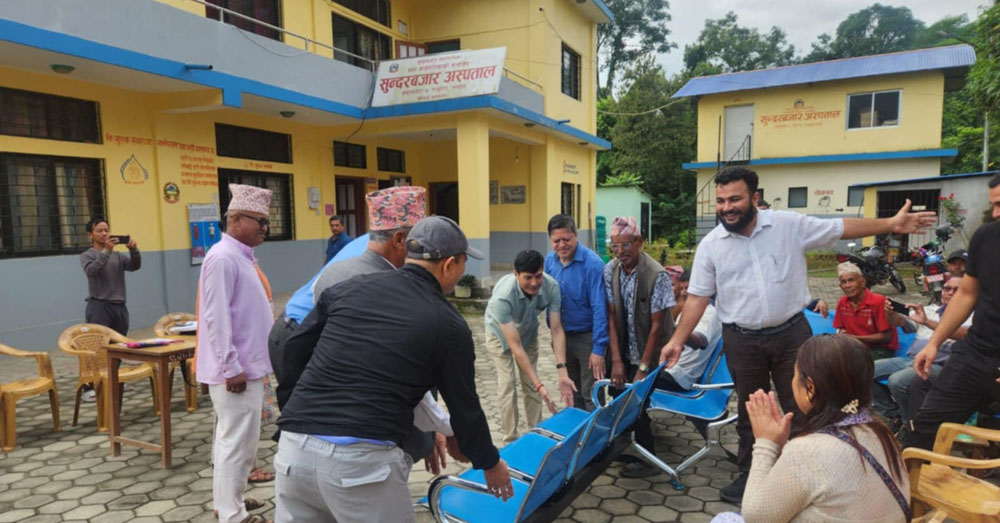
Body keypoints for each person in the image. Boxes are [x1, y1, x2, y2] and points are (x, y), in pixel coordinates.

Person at [660, 166, 934, 503]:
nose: (726, 207)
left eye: (734, 199)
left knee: (807, 402)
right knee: (751, 408)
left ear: (754, 198)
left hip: (791, 334)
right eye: (720, 201)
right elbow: (698, 297)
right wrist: (675, 341)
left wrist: (890, 224)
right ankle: (751, 474)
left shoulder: (788, 226)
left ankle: (808, 471)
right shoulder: (712, 246)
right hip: (741, 340)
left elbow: (841, 227)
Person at [275, 216, 512, 522]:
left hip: (294, 453)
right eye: (464, 263)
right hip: (361, 467)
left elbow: (294, 351)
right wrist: (489, 463)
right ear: (449, 264)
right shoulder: (448, 325)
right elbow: (465, 406)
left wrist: (295, 412)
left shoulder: (348, 289)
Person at [276, 187, 449, 467]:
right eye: (421, 241)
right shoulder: (365, 282)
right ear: (400, 240)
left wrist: (432, 426)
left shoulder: (382, 267)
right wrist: (436, 427)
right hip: (294, 336)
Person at [713, 334, 910, 522]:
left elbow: (755, 517)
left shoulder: (808, 450)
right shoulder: (880, 432)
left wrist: (766, 445)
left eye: (795, 374)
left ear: (810, 388)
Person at [196, 184, 274, 523]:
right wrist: (231, 367)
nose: (264, 228)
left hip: (249, 367)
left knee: (238, 442)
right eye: (259, 220)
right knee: (235, 444)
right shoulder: (222, 258)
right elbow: (215, 317)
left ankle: (230, 500)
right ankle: (231, 514)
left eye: (266, 222)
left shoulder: (241, 256)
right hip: (236, 372)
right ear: (236, 218)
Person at [905, 174, 1000, 450]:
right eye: (993, 205)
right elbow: (967, 294)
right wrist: (934, 343)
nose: (995, 213)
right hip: (977, 353)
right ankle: (907, 489)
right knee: (925, 430)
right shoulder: (986, 237)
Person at [602, 216, 675, 478]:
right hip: (624, 347)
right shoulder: (609, 270)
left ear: (640, 242)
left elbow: (657, 327)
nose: (620, 252)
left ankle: (649, 460)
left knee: (638, 402)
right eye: (615, 246)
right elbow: (611, 315)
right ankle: (627, 447)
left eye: (626, 245)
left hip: (652, 351)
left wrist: (643, 367)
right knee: (617, 393)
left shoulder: (657, 275)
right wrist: (617, 360)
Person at [485, 249, 574, 444]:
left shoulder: (551, 287)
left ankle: (536, 434)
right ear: (515, 274)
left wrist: (562, 371)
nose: (534, 283)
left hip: (528, 333)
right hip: (499, 336)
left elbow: (557, 329)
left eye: (538, 276)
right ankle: (510, 440)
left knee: (531, 387)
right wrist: (540, 384)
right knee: (508, 385)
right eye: (528, 278)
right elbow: (514, 346)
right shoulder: (503, 296)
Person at [872, 275, 970, 429]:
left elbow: (964, 335)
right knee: (865, 370)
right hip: (910, 361)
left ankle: (908, 424)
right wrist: (890, 314)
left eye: (956, 290)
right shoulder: (929, 310)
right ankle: (893, 414)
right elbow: (898, 322)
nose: (950, 293)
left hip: (939, 366)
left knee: (897, 381)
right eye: (947, 288)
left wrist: (926, 322)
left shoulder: (971, 315)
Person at [545, 214, 608, 411]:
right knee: (572, 392)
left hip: (587, 338)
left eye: (567, 239)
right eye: (556, 240)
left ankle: (600, 439)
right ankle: (579, 437)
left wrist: (598, 349)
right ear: (550, 240)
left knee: (592, 395)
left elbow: (600, 308)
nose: (562, 245)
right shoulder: (550, 261)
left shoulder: (593, 264)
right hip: (561, 337)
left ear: (576, 236)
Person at [80, 218, 141, 336]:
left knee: (120, 344)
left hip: (119, 306)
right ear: (90, 235)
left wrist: (134, 251)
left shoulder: (117, 255)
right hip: (100, 306)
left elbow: (134, 266)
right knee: (100, 343)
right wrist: (107, 251)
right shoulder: (87, 255)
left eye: (106, 230)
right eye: (99, 231)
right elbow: (92, 271)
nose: (104, 233)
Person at [833, 262, 898, 360]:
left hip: (878, 349)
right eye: (843, 282)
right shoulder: (842, 302)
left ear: (862, 282)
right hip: (854, 348)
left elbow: (886, 337)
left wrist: (855, 339)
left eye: (851, 280)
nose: (847, 285)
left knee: (852, 365)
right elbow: (840, 328)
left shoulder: (878, 301)